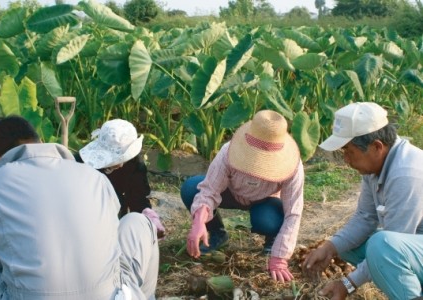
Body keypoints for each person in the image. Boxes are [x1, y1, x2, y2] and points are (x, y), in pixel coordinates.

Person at [0, 116, 159, 299]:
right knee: (139, 221)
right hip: (107, 295)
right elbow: (112, 236)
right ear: (39, 141)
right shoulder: (93, 176)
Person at [302, 102, 423, 300]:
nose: (346, 159)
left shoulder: (406, 174)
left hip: (410, 243)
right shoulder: (375, 167)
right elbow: (364, 217)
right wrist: (329, 247)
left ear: (377, 146)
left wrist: (348, 284)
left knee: (381, 245)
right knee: (351, 245)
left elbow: (393, 242)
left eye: (349, 151)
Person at [181, 110, 304, 283]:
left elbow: (293, 212)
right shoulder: (228, 151)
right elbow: (210, 190)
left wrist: (280, 258)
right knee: (190, 189)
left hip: (265, 201)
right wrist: (199, 221)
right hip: (230, 193)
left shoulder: (292, 165)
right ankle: (216, 232)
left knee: (267, 221)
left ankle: (273, 240)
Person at [76, 119, 165, 238]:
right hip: (86, 214)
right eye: (116, 159)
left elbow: (137, 197)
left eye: (123, 159)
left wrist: (146, 214)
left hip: (116, 214)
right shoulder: (81, 164)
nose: (121, 165)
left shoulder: (135, 164)